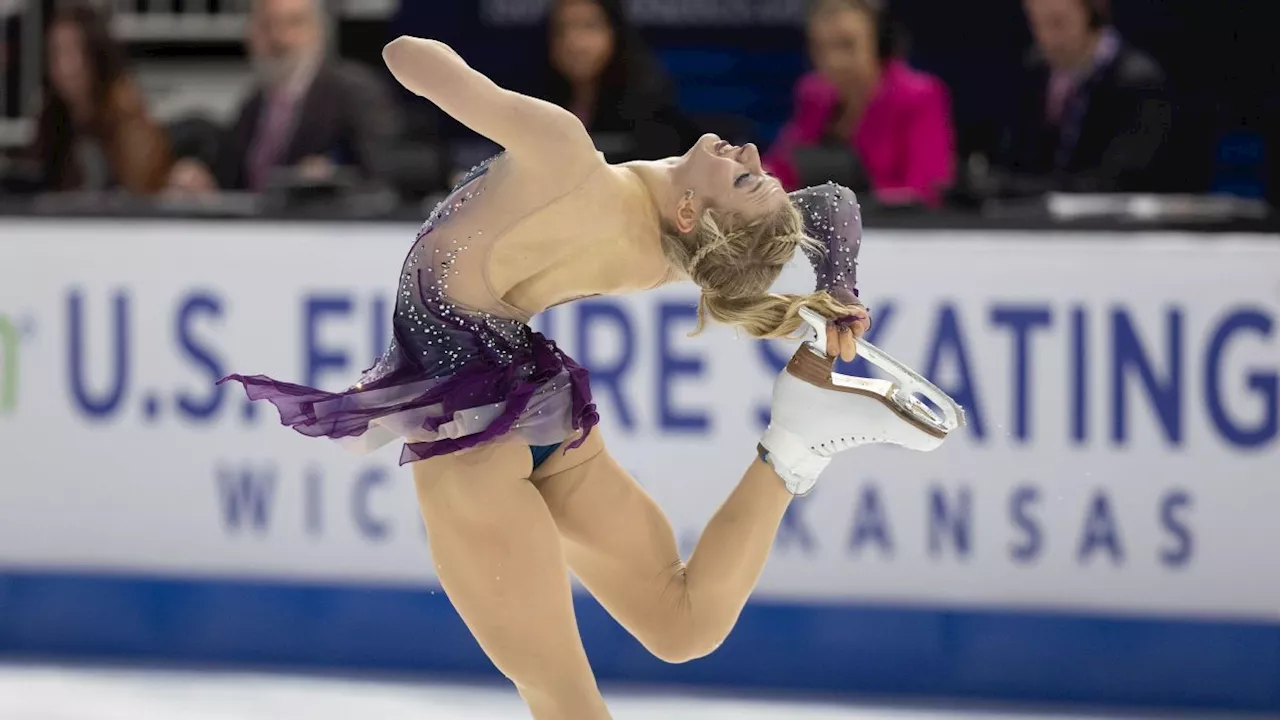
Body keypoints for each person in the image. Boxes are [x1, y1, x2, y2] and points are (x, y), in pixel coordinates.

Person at [220, 36, 953, 720]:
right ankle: (794, 445)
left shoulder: (563, 153)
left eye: (747, 176)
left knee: (563, 701)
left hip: (472, 443)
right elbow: (829, 205)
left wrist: (442, 77)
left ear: (695, 210)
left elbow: (405, 54)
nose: (753, 149)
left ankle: (801, 436)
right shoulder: (675, 255)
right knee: (680, 622)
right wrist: (841, 287)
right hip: (532, 404)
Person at [167, 0, 402, 194]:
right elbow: (239, 185)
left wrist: (332, 182)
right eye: (266, 25)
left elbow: (384, 178)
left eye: (293, 24)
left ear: (318, 31)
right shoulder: (253, 104)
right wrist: (204, 184)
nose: (279, 38)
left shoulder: (354, 94)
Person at [764, 0, 955, 206]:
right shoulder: (813, 93)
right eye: (820, 48)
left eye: (847, 45)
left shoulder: (918, 95)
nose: (833, 61)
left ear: (879, 42)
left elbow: (926, 189)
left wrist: (851, 204)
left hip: (897, 231)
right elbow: (781, 168)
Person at [993, 0, 1170, 193]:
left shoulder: (1138, 82)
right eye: (1036, 23)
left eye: (1058, 23)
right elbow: (1014, 161)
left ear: (1094, 13)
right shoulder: (1034, 71)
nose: (1045, 38)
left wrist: (1028, 189)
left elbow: (1121, 177)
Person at [28, 3, 172, 195]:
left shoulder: (127, 115)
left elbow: (144, 191)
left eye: (72, 52)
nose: (63, 66)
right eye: (55, 53)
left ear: (95, 54)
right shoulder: (52, 117)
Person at [534, 0, 703, 162]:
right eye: (561, 30)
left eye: (588, 26)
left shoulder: (651, 110)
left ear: (615, 32)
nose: (574, 42)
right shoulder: (537, 107)